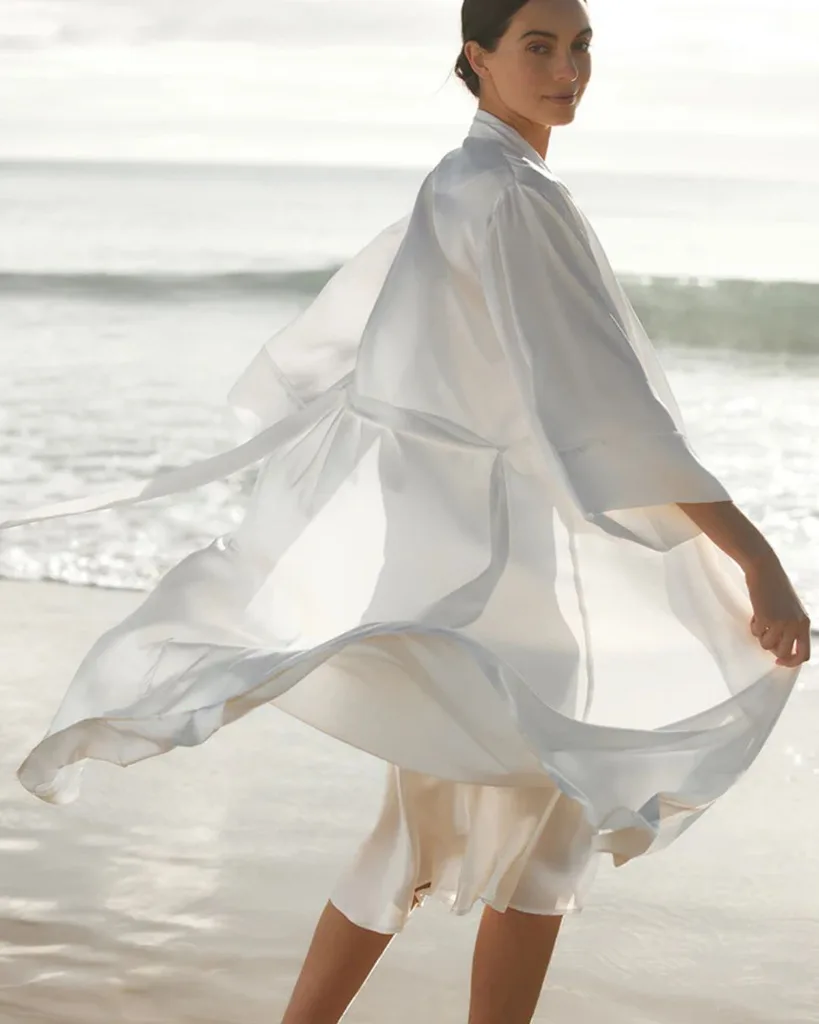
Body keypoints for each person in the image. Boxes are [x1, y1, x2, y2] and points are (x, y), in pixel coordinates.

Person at [0, 1, 810, 1022]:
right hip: (503, 588)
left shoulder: (464, 178)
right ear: (477, 57)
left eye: (580, 45)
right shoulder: (511, 195)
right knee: (538, 843)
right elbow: (604, 406)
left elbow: (400, 375)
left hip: (454, 576)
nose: (567, 68)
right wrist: (754, 555)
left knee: (414, 832)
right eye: (538, 46)